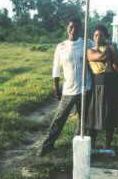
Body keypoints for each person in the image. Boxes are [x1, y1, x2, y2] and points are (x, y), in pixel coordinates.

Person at [38, 17, 93, 157]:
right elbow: (56, 68)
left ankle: (77, 149)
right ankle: (47, 146)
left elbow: (98, 55)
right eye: (71, 27)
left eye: (76, 27)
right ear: (67, 28)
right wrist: (56, 88)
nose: (73, 30)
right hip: (68, 90)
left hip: (85, 89)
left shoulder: (87, 43)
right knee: (59, 119)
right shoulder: (61, 46)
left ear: (81, 29)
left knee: (83, 120)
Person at [86, 24, 118, 151]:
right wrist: (111, 48)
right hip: (98, 86)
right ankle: (92, 145)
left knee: (110, 115)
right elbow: (101, 57)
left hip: (111, 86)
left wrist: (113, 52)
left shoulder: (111, 49)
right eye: (96, 35)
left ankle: (107, 145)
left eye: (101, 35)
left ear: (106, 36)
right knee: (94, 116)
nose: (98, 38)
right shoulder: (91, 50)